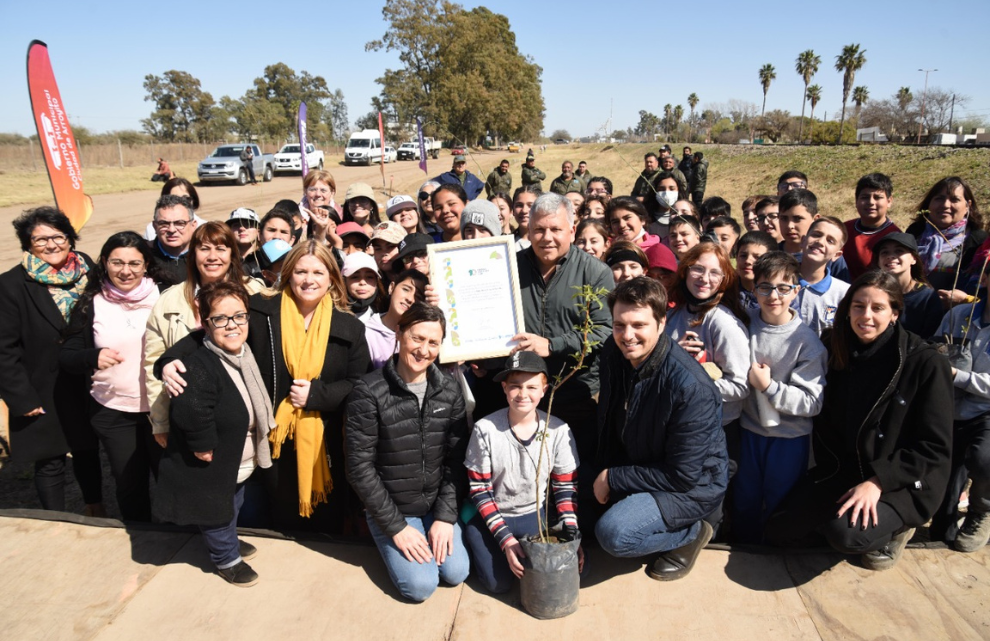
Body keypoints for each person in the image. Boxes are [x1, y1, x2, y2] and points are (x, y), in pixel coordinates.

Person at [160, 241, 371, 533]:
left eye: (318, 272)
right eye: (300, 271)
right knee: (275, 514)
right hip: (270, 435)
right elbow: (218, 330)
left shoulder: (350, 327)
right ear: (288, 274)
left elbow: (360, 384)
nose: (308, 280)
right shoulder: (261, 310)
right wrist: (170, 359)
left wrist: (317, 395)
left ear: (332, 278)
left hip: (325, 440)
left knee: (325, 520)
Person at [765, 271, 953, 571]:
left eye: (877, 308)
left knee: (847, 536)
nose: (866, 316)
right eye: (858, 306)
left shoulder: (925, 362)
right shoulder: (835, 346)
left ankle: (899, 528)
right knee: (778, 530)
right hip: (843, 470)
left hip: (899, 481)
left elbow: (934, 447)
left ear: (894, 313)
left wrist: (878, 482)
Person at [593, 277, 728, 580]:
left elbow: (682, 475)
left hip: (690, 486)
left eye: (639, 325)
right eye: (619, 325)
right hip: (640, 462)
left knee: (615, 534)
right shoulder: (614, 354)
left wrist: (613, 477)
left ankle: (692, 533)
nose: (627, 336)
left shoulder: (691, 388)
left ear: (662, 322)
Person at [346, 302, 470, 602]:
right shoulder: (368, 391)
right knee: (420, 586)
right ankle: (387, 539)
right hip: (394, 508)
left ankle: (430, 531)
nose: (423, 350)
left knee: (456, 572)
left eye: (433, 342)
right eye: (417, 338)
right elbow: (359, 467)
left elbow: (456, 460)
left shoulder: (450, 391)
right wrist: (397, 528)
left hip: (435, 504)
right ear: (400, 334)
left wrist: (445, 517)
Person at [154, 281, 274, 587]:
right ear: (205, 323)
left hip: (237, 455)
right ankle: (226, 559)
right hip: (213, 456)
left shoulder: (243, 351)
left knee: (233, 500)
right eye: (220, 319)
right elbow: (191, 410)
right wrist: (202, 444)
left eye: (239, 316)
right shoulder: (197, 364)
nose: (232, 325)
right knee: (215, 508)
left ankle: (227, 540)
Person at [0, 207, 102, 514]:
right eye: (40, 239)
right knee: (50, 460)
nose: (51, 244)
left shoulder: (91, 272)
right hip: (42, 386)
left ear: (70, 239)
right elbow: (3, 349)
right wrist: (21, 398)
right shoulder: (11, 285)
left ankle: (96, 508)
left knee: (87, 450)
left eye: (58, 236)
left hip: (89, 380)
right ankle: (54, 519)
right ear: (28, 244)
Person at [60, 231, 167, 521]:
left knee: (171, 484)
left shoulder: (166, 294)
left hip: (163, 409)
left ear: (146, 265)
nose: (126, 271)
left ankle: (180, 539)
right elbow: (67, 355)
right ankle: (142, 537)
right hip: (114, 412)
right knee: (130, 486)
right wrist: (91, 357)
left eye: (134, 263)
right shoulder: (92, 301)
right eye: (117, 262)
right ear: (105, 263)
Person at [514, 193, 614, 483]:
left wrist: (553, 345)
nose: (547, 237)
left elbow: (603, 330)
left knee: (575, 472)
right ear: (528, 230)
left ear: (572, 230)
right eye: (539, 229)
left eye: (556, 229)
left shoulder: (595, 273)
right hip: (525, 394)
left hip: (576, 393)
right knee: (531, 473)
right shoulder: (509, 267)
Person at [463, 352, 581, 594]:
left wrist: (571, 533)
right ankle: (474, 536)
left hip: (533, 515)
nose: (523, 394)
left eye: (531, 387)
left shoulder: (558, 430)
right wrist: (506, 540)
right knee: (499, 584)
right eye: (515, 386)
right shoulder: (485, 429)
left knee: (565, 572)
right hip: (494, 515)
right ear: (504, 388)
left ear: (544, 390)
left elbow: (565, 486)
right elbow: (480, 489)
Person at [145, 222, 266, 448]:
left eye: (220, 249)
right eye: (204, 248)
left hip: (248, 411)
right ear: (193, 255)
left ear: (232, 253)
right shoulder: (168, 302)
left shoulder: (256, 293)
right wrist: (160, 422)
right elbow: (154, 364)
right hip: (193, 417)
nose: (212, 257)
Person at [733, 252, 826, 543]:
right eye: (765, 287)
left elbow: (812, 402)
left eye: (783, 288)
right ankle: (745, 545)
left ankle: (777, 549)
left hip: (789, 438)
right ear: (754, 289)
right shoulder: (743, 327)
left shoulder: (806, 342)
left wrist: (769, 387)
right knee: (744, 497)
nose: (774, 295)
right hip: (748, 431)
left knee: (780, 499)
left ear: (796, 291)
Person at [665, 243, 750, 474]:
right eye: (698, 269)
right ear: (685, 271)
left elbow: (740, 386)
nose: (705, 278)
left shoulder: (722, 323)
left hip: (715, 434)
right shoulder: (672, 315)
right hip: (678, 427)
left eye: (715, 272)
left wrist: (691, 383)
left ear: (724, 280)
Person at [931, 270, 990, 550]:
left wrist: (957, 375)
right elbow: (935, 353)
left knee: (984, 459)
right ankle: (939, 527)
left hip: (986, 413)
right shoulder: (959, 315)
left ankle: (982, 510)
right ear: (985, 279)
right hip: (949, 409)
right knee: (943, 499)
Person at [906, 176, 987, 308]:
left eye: (954, 199)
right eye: (939, 198)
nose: (945, 205)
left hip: (955, 317)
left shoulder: (979, 241)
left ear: (968, 205)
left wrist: (964, 299)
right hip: (913, 313)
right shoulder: (915, 232)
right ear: (929, 204)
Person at [872, 233, 944, 339]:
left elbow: (930, 338)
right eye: (884, 252)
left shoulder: (927, 297)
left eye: (899, 251)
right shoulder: (871, 292)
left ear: (913, 258)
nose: (890, 256)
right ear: (878, 261)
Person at [794, 217, 850, 337]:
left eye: (830, 241)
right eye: (816, 234)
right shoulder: (780, 282)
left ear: (837, 254)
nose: (820, 241)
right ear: (803, 241)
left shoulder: (845, 293)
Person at [364, 269, 428, 369]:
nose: (410, 299)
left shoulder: (423, 336)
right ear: (391, 287)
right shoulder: (366, 332)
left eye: (418, 296)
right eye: (406, 289)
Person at [843, 173, 900, 280]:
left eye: (878, 197)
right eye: (865, 197)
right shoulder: (843, 229)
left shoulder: (895, 237)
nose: (870, 202)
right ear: (856, 201)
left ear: (889, 201)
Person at [149, 194, 198, 286]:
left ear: (193, 225)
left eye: (179, 223)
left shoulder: (205, 257)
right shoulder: (144, 257)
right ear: (155, 226)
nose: (171, 230)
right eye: (164, 223)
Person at [735, 231, 777, 311]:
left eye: (757, 257)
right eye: (743, 255)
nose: (748, 261)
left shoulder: (778, 296)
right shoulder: (724, 292)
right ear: (736, 257)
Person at [343, 251, 387, 323]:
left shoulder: (384, 316)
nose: (362, 282)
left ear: (377, 282)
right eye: (355, 277)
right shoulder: (331, 313)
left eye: (369, 277)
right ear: (344, 281)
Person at [227, 208, 263, 279]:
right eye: (236, 225)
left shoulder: (266, 258)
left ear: (258, 231)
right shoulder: (226, 260)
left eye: (248, 224)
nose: (242, 228)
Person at [512, 184, 540, 251]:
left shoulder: (547, 242)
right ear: (513, 210)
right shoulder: (507, 243)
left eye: (530, 205)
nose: (524, 210)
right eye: (519, 205)